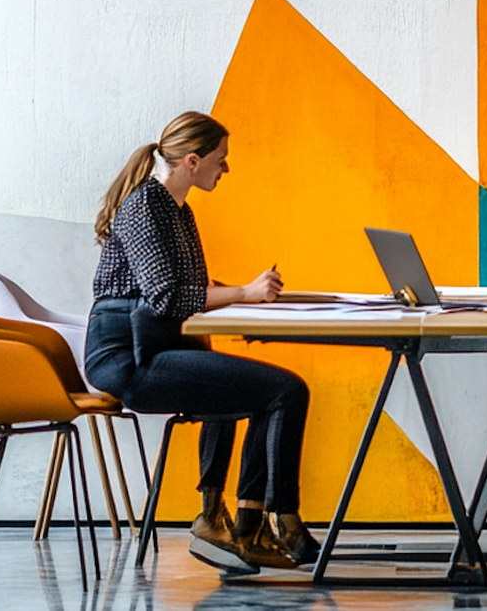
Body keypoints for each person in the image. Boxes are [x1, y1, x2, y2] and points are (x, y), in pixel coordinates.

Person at [84, 111, 320, 573]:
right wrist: (245, 293)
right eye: (220, 158)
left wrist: (250, 295)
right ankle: (277, 519)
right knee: (287, 391)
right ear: (192, 161)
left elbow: (191, 288)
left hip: (160, 344)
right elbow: (168, 296)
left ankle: (237, 522)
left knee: (262, 393)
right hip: (130, 358)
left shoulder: (179, 210)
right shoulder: (145, 205)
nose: (225, 168)